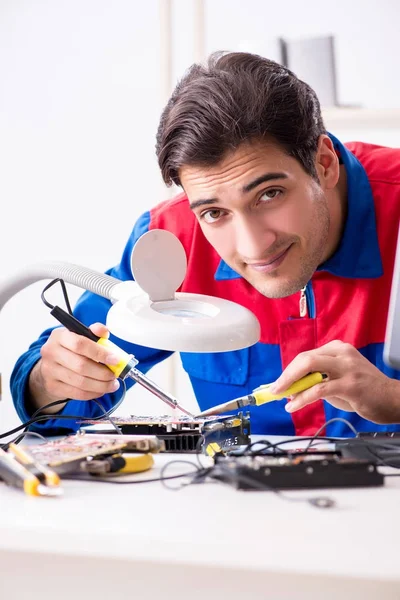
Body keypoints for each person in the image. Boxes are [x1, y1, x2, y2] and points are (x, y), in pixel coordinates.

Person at [11, 52, 400, 437]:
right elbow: (54, 411)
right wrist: (52, 381)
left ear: (325, 164)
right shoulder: (171, 239)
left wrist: (392, 397)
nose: (253, 246)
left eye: (270, 194)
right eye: (214, 213)